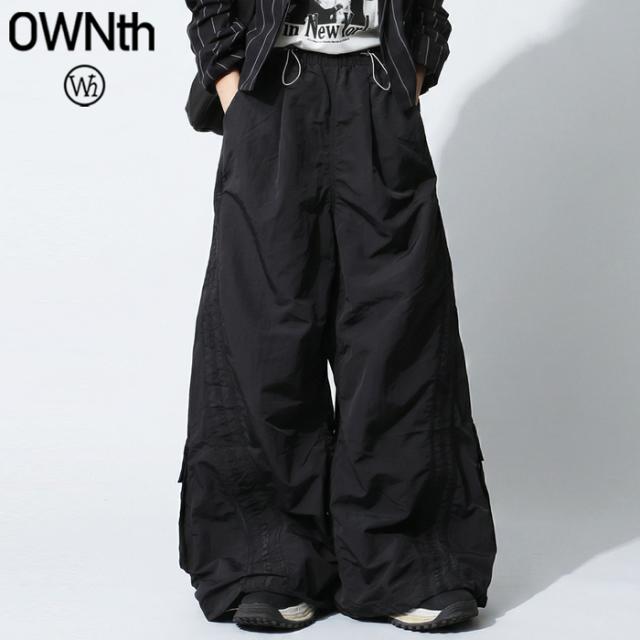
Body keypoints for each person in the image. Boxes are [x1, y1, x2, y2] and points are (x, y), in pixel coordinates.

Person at [178, 0, 497, 632]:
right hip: (273, 87)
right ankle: (269, 561)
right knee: (264, 329)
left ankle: (404, 562)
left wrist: (412, 72)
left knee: (397, 330)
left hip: (377, 85)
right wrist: (231, 83)